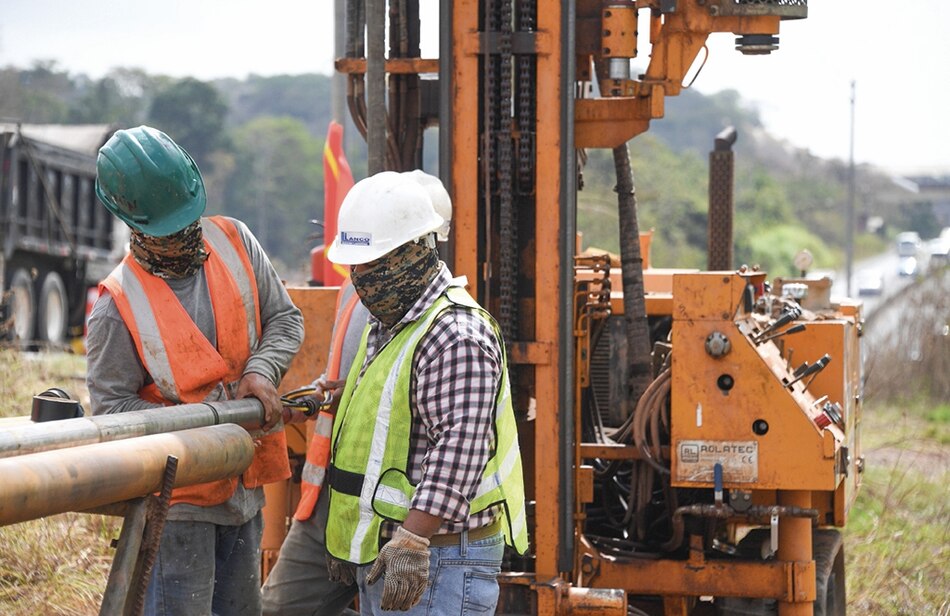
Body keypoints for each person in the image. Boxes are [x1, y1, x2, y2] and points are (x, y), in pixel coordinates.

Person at [85, 125, 304, 616]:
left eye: (189, 220)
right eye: (169, 229)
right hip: (177, 503)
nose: (187, 235)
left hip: (244, 482)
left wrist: (262, 372)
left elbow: (285, 318)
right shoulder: (117, 307)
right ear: (132, 221)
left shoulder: (234, 241)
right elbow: (112, 411)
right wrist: (201, 422)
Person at [323, 171, 529, 614]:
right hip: (399, 554)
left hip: (438, 559)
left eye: (372, 266)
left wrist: (413, 537)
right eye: (356, 267)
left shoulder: (455, 333)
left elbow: (461, 444)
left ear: (412, 253)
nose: (360, 280)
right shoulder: (392, 326)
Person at [261, 170, 452, 616]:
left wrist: (415, 533)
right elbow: (371, 383)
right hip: (335, 500)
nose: (364, 274)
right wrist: (324, 396)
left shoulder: (441, 319)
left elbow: (452, 435)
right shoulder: (358, 289)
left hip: (396, 510)